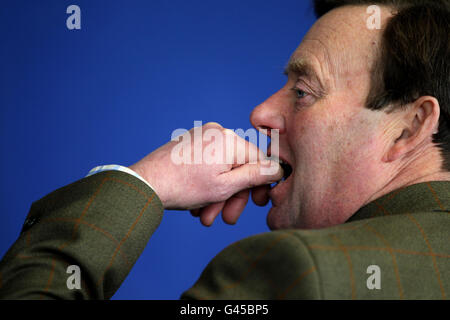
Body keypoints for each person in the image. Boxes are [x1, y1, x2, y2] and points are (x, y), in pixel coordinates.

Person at [0, 0, 449, 299]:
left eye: (304, 91)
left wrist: (146, 183)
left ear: (409, 129)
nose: (261, 112)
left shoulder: (289, 272)